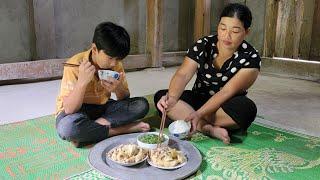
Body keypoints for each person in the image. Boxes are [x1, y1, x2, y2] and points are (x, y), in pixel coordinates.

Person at [154, 3, 261, 144]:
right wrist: (173, 98)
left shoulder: (251, 57)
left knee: (247, 110)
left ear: (246, 32)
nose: (226, 35)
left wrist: (198, 113)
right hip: (199, 98)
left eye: (235, 31)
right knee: (162, 98)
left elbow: (226, 92)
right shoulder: (203, 44)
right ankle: (207, 128)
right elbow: (183, 74)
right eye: (222, 28)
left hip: (225, 106)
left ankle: (193, 118)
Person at [55, 22, 150, 147]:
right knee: (67, 128)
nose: (113, 63)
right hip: (76, 112)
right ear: (94, 49)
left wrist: (118, 88)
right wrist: (82, 83)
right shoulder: (74, 65)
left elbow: (124, 97)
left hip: (103, 107)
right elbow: (69, 109)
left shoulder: (116, 63)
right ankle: (124, 129)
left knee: (141, 105)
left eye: (118, 59)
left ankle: (90, 132)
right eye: (110, 58)